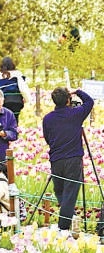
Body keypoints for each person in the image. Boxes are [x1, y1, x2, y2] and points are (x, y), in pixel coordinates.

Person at [42, 87, 94, 233]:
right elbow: (89, 101)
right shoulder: (75, 114)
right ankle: (64, 227)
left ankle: (69, 218)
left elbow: (48, 138)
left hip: (56, 158)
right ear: (68, 100)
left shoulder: (48, 118)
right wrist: (77, 91)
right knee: (70, 192)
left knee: (59, 190)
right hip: (73, 158)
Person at [0, 57, 31, 123]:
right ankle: (14, 132)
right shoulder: (18, 74)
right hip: (16, 102)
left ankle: (5, 132)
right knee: (14, 121)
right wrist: (27, 100)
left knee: (4, 121)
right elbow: (23, 88)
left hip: (4, 102)